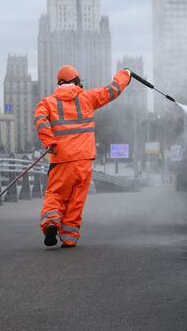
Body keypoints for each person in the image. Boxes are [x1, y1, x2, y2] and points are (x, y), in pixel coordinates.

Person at [34, 65, 132, 248]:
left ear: (59, 83)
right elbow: (112, 90)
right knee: (76, 200)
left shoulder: (47, 103)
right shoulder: (88, 98)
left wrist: (49, 141)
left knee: (55, 194)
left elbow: (40, 120)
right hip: (84, 162)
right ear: (77, 82)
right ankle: (69, 238)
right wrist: (125, 74)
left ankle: (51, 224)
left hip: (61, 159)